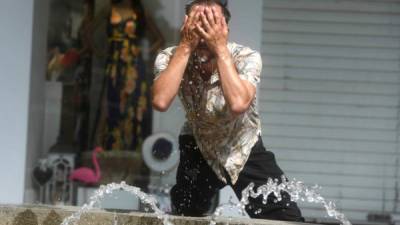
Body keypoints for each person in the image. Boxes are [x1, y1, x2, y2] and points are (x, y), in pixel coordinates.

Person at [152, 0, 304, 221]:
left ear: (224, 28)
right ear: (186, 26)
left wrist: (220, 48)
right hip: (199, 145)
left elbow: (238, 104)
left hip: (242, 146)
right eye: (198, 23)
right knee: (184, 215)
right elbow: (161, 101)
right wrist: (186, 46)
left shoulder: (246, 57)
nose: (204, 32)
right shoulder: (170, 57)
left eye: (211, 23)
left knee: (286, 217)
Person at [95, 0, 164, 151]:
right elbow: (87, 32)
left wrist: (145, 55)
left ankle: (133, 150)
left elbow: (160, 39)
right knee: (111, 102)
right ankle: (109, 149)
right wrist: (99, 53)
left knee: (134, 105)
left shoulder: (139, 11)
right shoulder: (109, 9)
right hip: (114, 65)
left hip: (133, 66)